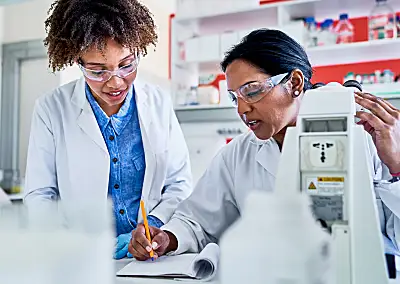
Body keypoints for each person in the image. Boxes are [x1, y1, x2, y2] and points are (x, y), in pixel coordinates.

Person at [129, 29, 400, 260]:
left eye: (252, 90)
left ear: (295, 83)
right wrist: (166, 238)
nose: (242, 109)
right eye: (236, 97)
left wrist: (397, 166)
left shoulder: (371, 138)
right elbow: (196, 221)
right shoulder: (237, 155)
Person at [24, 0, 192, 259]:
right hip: (80, 258)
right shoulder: (51, 108)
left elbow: (178, 183)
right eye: (98, 71)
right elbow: (39, 195)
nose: (115, 82)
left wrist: (153, 226)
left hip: (148, 257)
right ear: (77, 62)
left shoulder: (158, 102)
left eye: (126, 65)